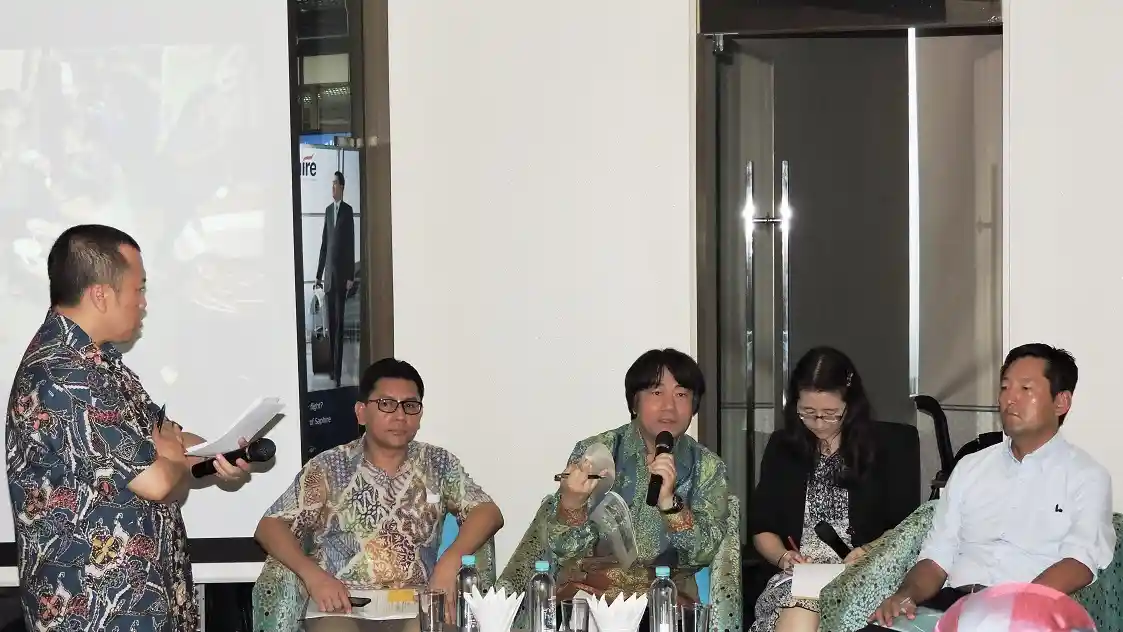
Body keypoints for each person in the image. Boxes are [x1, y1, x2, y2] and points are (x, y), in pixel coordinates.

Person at [6, 224, 252, 632]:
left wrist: (220, 452)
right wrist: (171, 458)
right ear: (101, 294)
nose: (143, 302)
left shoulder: (98, 362)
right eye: (138, 289)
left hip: (137, 601)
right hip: (96, 611)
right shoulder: (64, 374)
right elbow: (157, 480)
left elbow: (166, 437)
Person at [868, 344, 1115, 629]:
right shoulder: (970, 467)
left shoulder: (1087, 476)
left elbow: (1080, 561)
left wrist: (1015, 607)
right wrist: (905, 595)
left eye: (1025, 389)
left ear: (1061, 402)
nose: (1009, 399)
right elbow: (937, 556)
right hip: (951, 605)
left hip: (1025, 612)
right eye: (1005, 387)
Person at [252, 358, 504, 632]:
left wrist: (449, 562)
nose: (400, 415)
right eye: (386, 404)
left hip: (415, 602)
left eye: (410, 405)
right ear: (361, 413)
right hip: (341, 603)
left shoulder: (438, 463)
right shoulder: (328, 466)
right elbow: (270, 526)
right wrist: (313, 576)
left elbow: (487, 512)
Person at [748, 346, 920, 632]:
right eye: (807, 412)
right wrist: (783, 557)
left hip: (863, 577)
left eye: (830, 414)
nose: (818, 423)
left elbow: (906, 528)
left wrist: (867, 551)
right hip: (798, 581)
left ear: (850, 406)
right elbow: (761, 526)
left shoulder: (888, 447)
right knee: (801, 609)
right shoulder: (783, 448)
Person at [549, 348, 729, 605]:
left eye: (681, 395)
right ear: (635, 403)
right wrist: (571, 505)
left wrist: (670, 504)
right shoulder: (597, 452)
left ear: (694, 405)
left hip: (666, 600)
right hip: (590, 596)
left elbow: (703, 555)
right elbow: (563, 550)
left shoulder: (708, 467)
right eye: (656, 393)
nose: (669, 406)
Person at [314, 170, 355, 387]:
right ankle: (331, 369)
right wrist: (318, 275)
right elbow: (324, 246)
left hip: (341, 279)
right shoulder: (328, 211)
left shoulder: (348, 212)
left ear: (342, 187)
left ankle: (338, 374)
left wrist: (350, 277)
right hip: (329, 278)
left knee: (339, 328)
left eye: (335, 184)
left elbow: (350, 245)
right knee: (330, 326)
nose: (332, 188)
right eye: (331, 184)